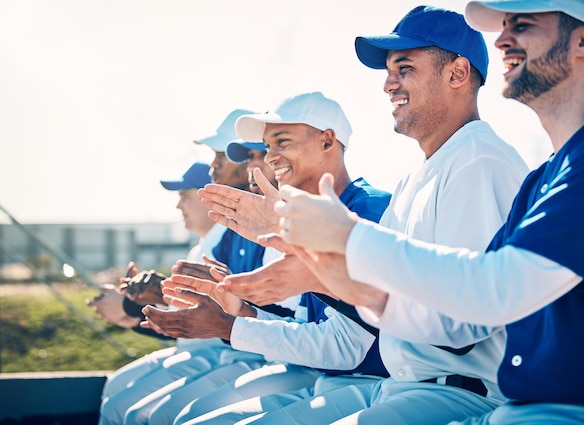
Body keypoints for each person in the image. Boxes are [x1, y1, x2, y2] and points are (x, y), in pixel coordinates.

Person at [273, 1, 584, 424]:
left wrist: (347, 238)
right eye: (505, 26)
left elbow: (493, 289)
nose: (502, 39)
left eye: (524, 24)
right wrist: (333, 271)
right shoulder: (545, 175)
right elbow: (471, 307)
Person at [199, 6, 531, 424]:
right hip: (406, 387)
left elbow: (459, 327)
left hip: (461, 395)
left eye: (404, 67)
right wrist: (309, 263)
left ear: (458, 73)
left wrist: (316, 271)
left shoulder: (478, 161)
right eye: (389, 72)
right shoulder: (419, 175)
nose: (389, 84)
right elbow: (378, 311)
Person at [140, 92, 392, 425]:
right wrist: (240, 310)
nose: (268, 157)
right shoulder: (300, 218)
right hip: (326, 376)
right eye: (266, 147)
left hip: (372, 383)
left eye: (281, 142)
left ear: (327, 141)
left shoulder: (367, 210)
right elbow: (304, 325)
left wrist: (231, 326)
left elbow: (347, 348)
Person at [99, 109, 271, 425]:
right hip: (236, 349)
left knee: (159, 414)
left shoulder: (244, 231)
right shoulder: (225, 238)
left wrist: (135, 307)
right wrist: (142, 306)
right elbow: (213, 312)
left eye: (227, 155)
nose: (213, 166)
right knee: (120, 394)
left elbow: (234, 314)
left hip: (249, 355)